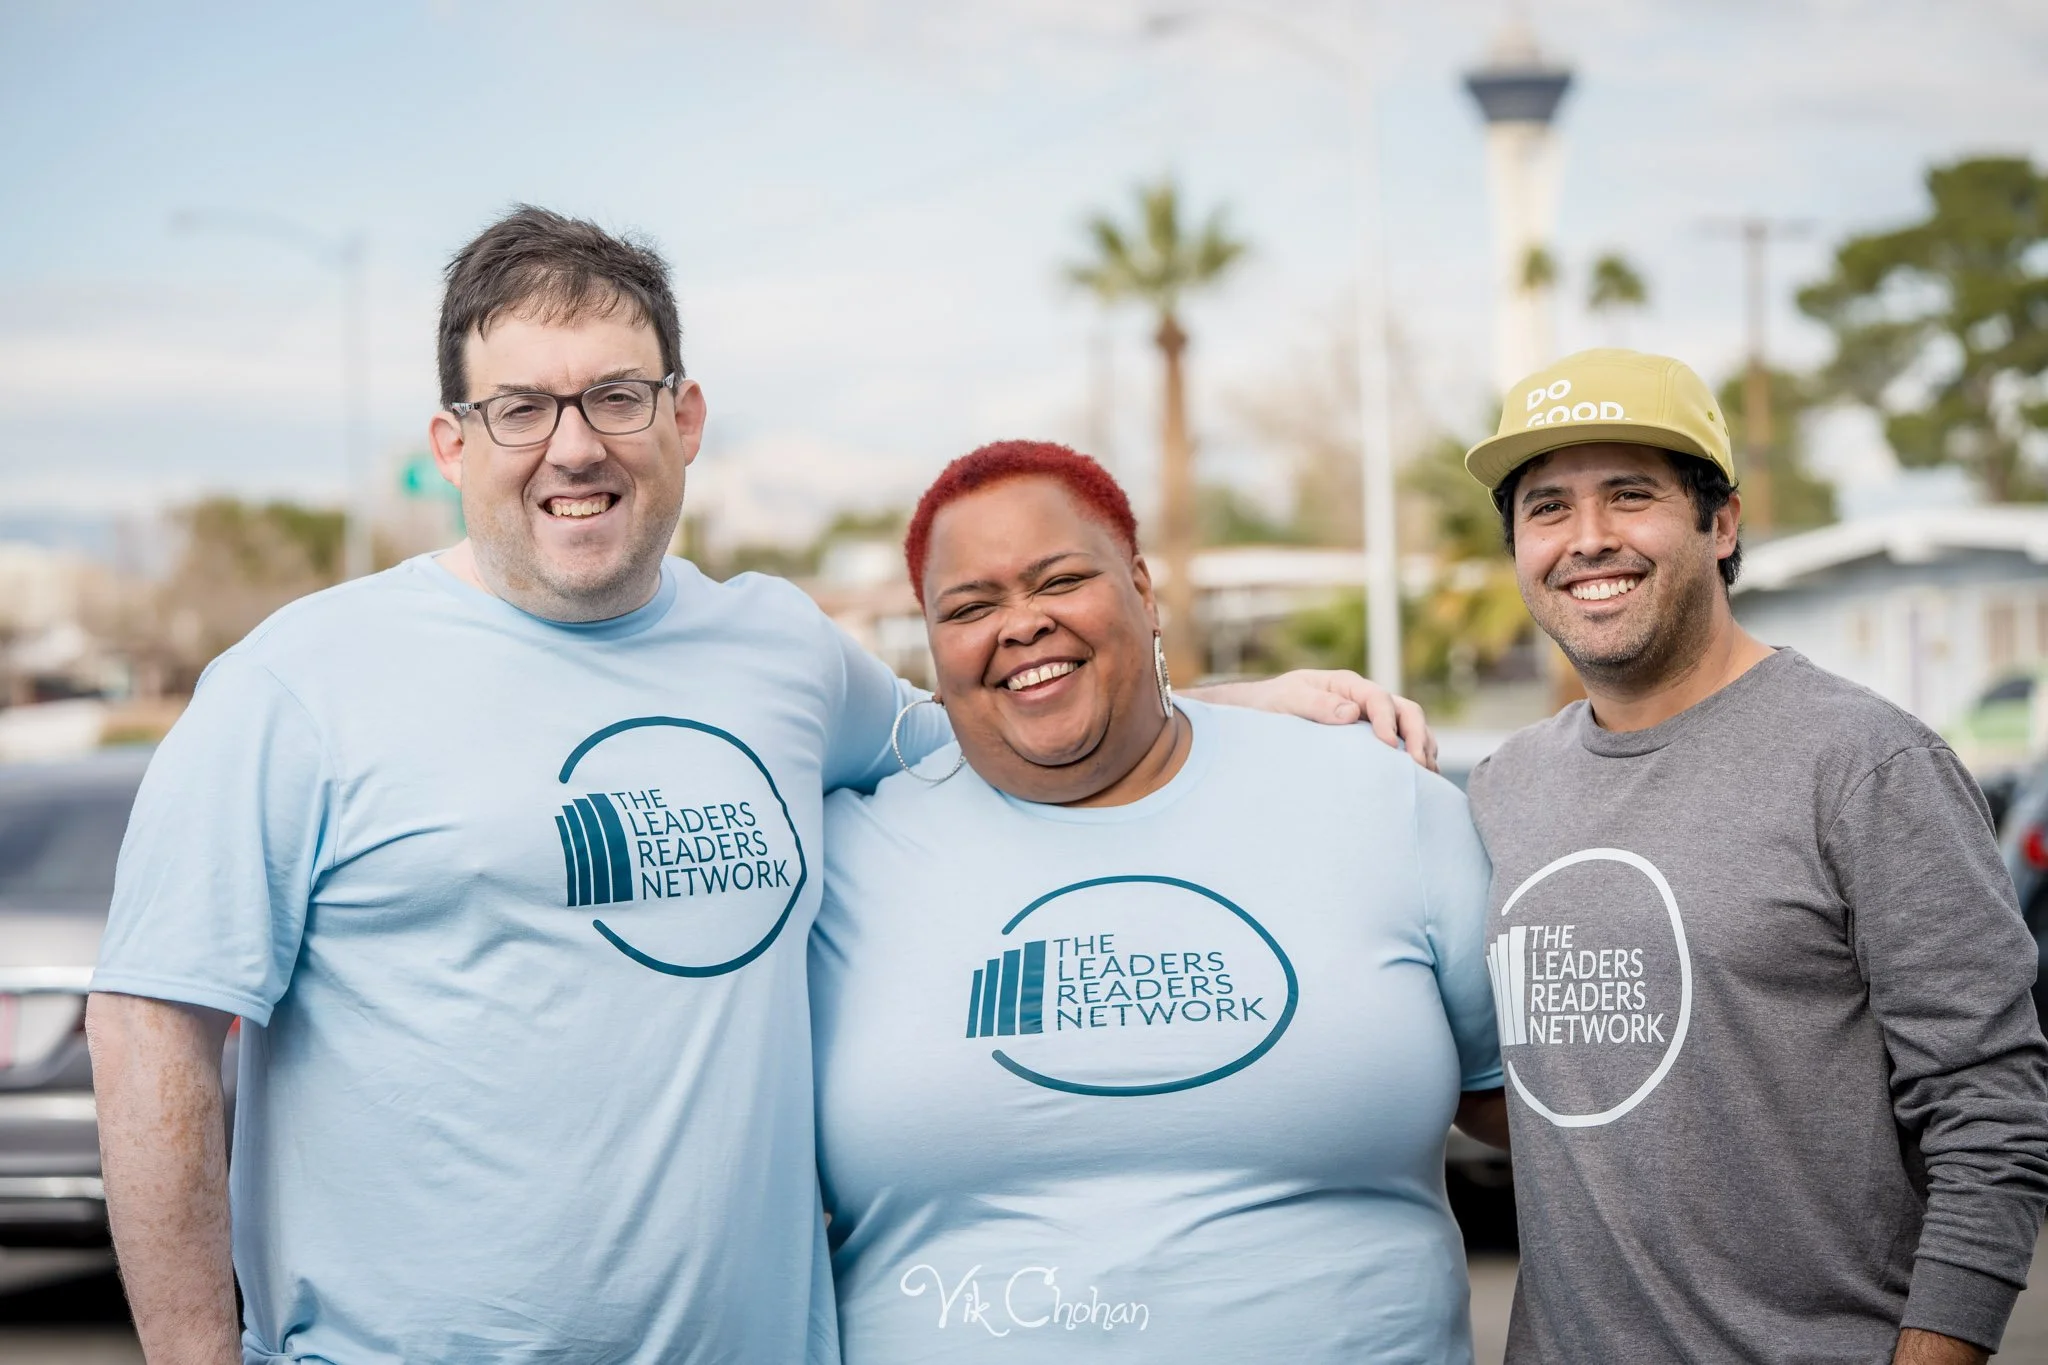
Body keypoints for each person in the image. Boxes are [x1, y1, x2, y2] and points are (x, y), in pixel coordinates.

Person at [84, 208, 1426, 1364]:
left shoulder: (779, 650)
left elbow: (974, 734)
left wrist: (1226, 705)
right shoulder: (300, 684)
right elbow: (153, 1023)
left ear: (687, 418)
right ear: (452, 441)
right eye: (521, 408)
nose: (574, 445)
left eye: (616, 395)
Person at [809, 439, 1508, 1362]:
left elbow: (1548, 1123)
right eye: (971, 606)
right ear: (931, 645)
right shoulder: (836, 862)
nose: (1019, 625)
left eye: (1059, 580)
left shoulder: (1383, 801)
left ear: (1144, 588)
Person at [1460, 347, 2048, 1364]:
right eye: (1546, 508)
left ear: (1720, 521)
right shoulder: (1502, 788)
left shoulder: (1865, 762)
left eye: (1629, 496)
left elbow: (1991, 1111)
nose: (1586, 539)